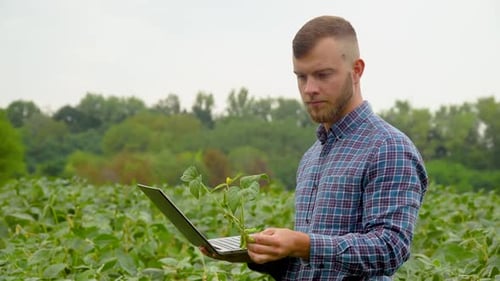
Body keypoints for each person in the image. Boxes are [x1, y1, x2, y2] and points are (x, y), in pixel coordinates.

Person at [203, 15, 428, 280]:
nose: (309, 89)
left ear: (356, 70)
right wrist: (265, 254)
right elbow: (312, 268)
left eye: (322, 75)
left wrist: (304, 244)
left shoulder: (389, 148)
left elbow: (391, 249)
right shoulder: (312, 157)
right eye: (301, 77)